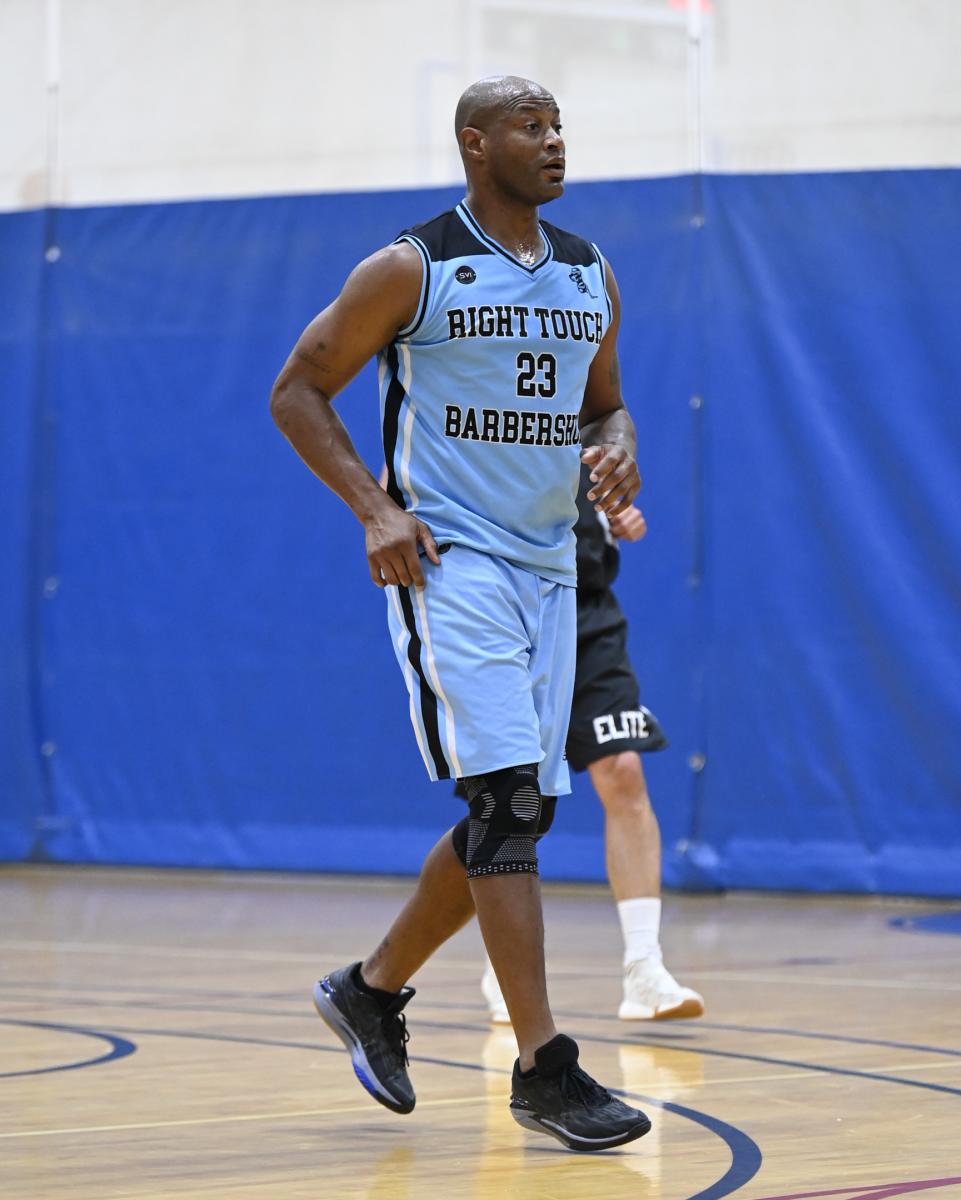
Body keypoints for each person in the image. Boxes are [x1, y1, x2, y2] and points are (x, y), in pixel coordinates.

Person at [269, 76, 650, 1152]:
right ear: (476, 144)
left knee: (516, 816)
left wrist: (618, 446)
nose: (555, 140)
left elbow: (604, 404)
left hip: (551, 566)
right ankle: (544, 1069)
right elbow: (297, 390)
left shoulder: (589, 272)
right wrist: (375, 508)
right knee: (505, 802)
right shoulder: (413, 267)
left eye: (560, 124)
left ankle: (371, 990)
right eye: (532, 126)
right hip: (452, 560)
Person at [479, 478, 705, 1023]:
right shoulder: (453, 425)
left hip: (587, 612)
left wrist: (611, 517)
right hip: (507, 610)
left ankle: (644, 968)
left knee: (623, 767)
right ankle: (503, 967)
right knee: (514, 795)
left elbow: (606, 464)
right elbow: (400, 476)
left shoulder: (588, 429)